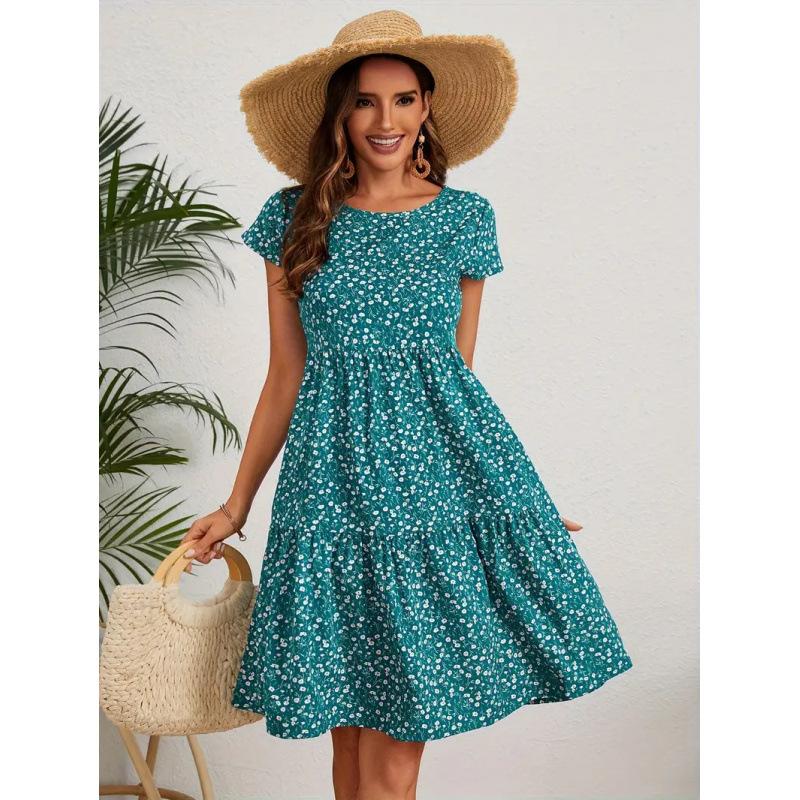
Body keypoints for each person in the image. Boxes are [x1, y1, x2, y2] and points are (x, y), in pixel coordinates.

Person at [180, 10, 633, 800]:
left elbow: (458, 378)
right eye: (364, 101)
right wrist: (236, 504)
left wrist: (506, 501)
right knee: (348, 744)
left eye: (403, 99)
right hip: (326, 496)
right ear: (340, 113)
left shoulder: (464, 218)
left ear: (427, 108)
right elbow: (285, 375)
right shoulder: (295, 217)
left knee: (392, 763)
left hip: (420, 500)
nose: (384, 120)